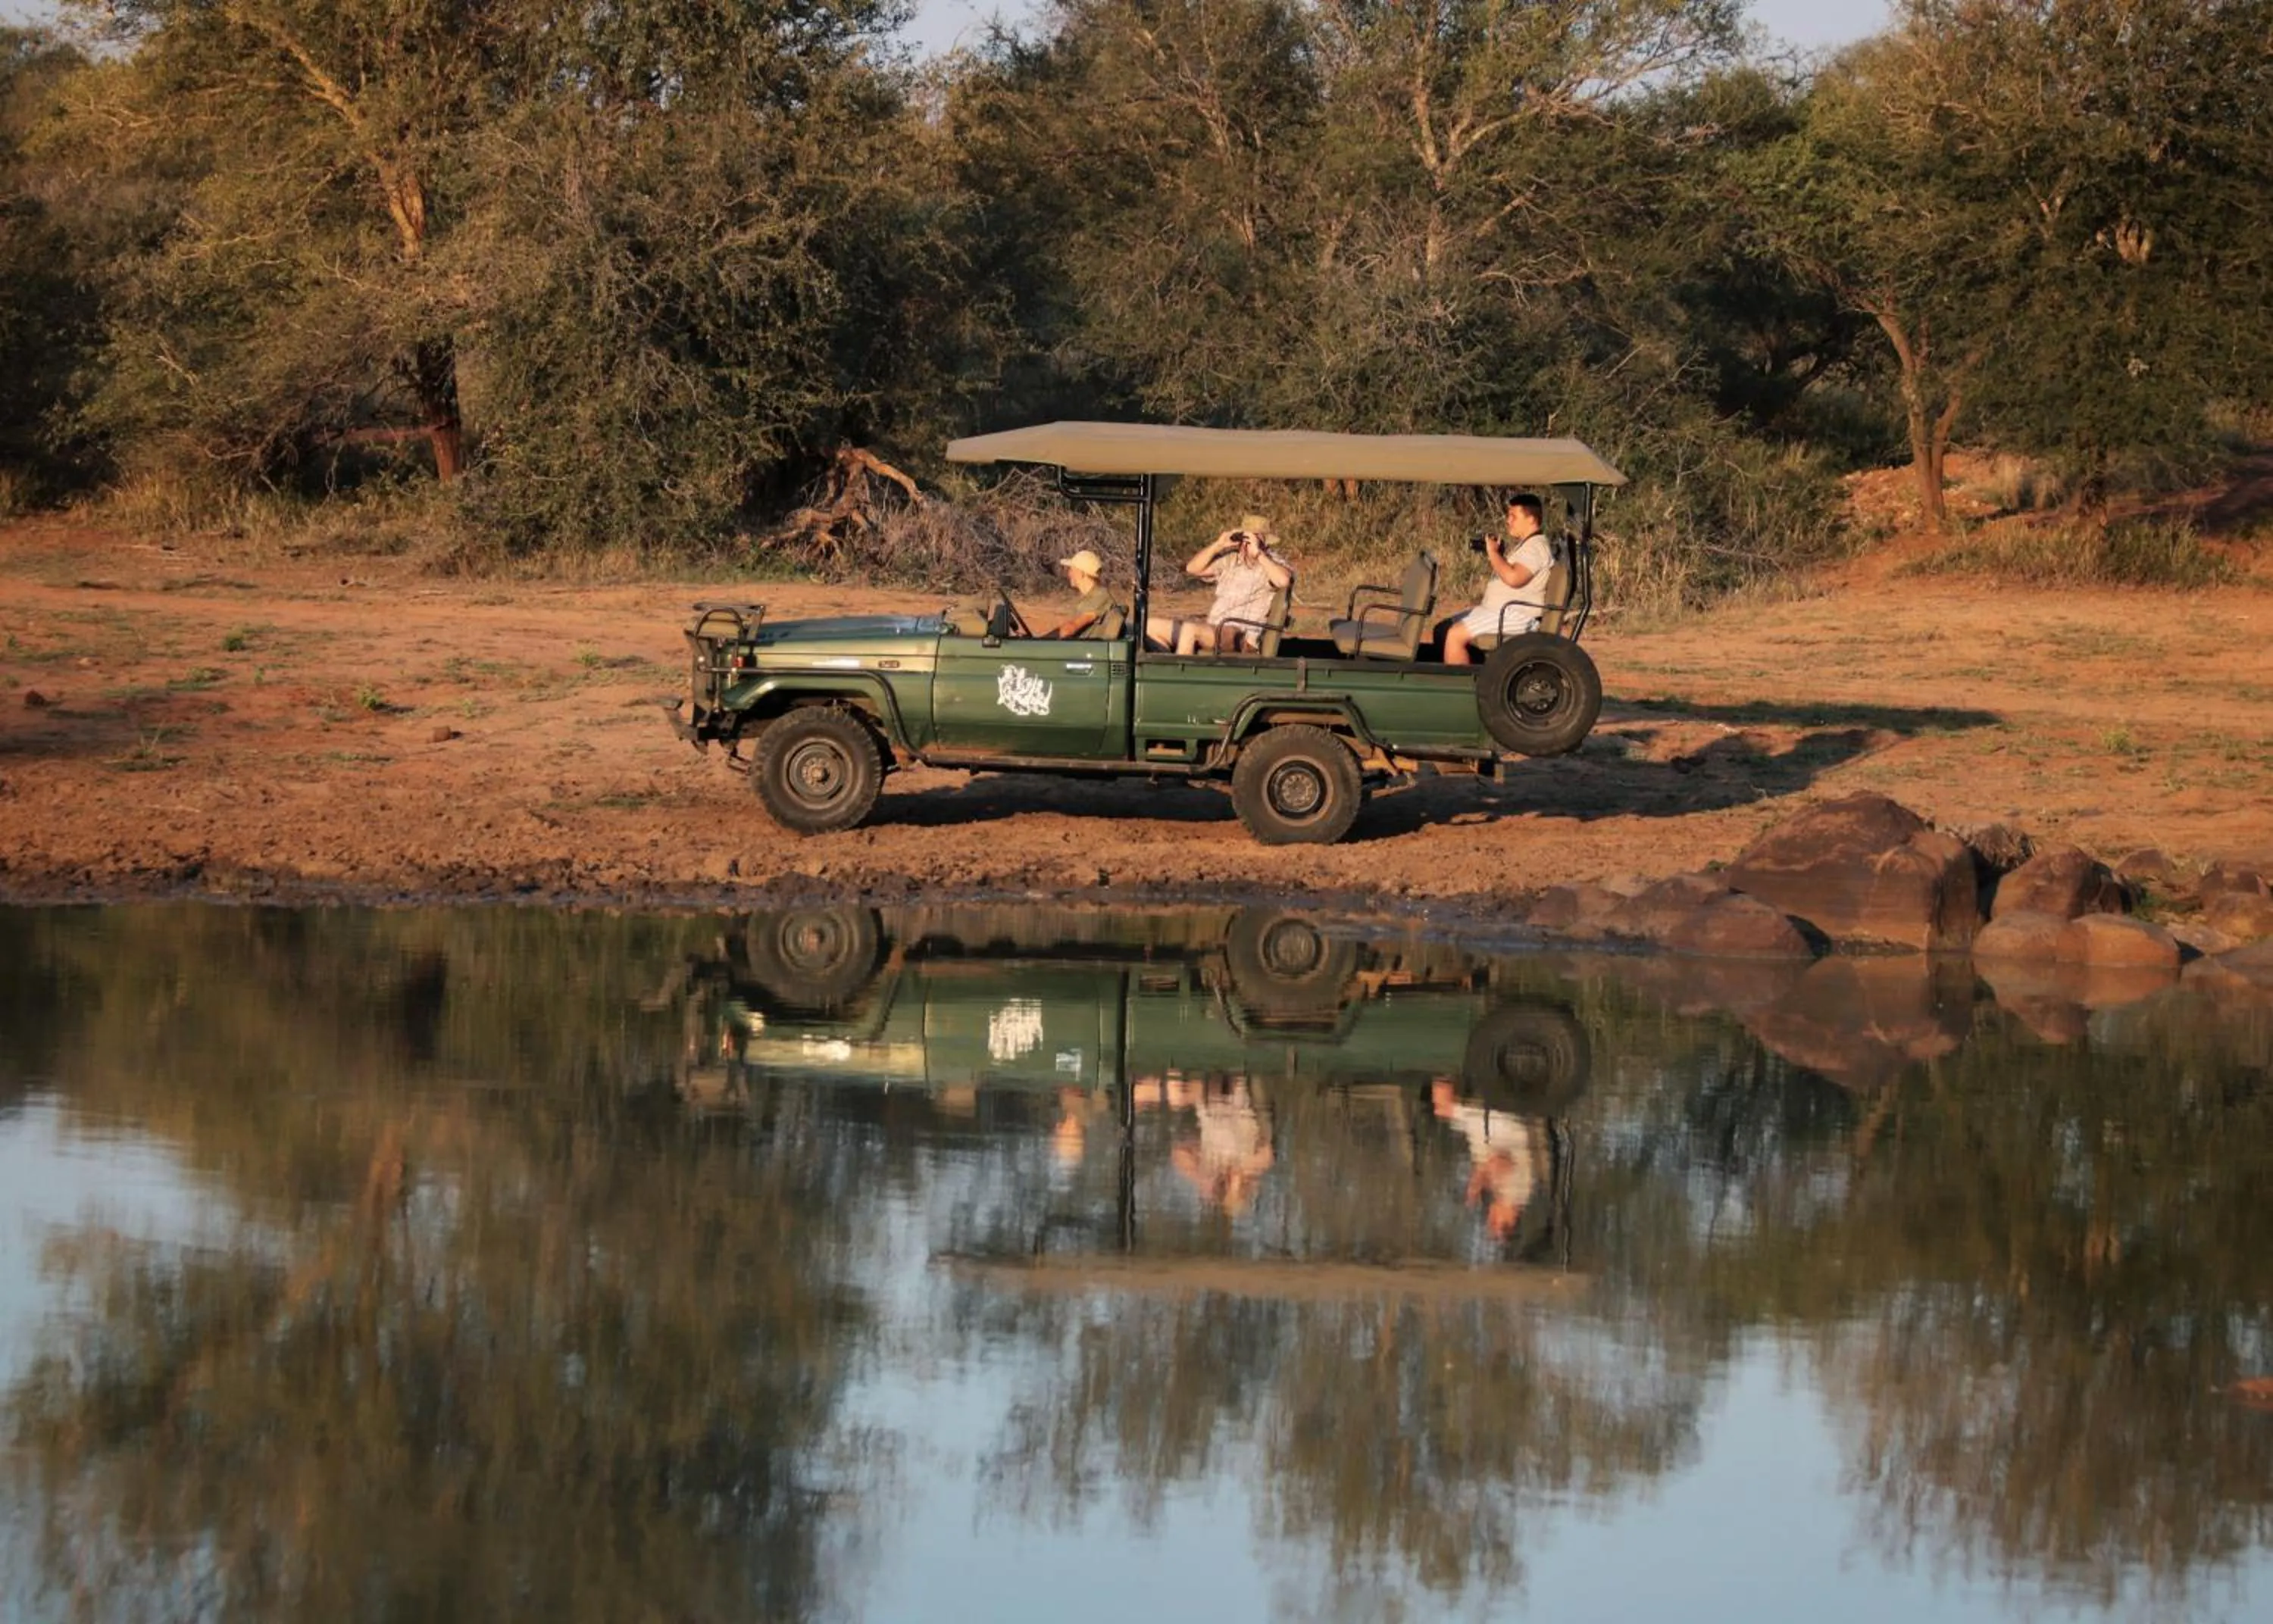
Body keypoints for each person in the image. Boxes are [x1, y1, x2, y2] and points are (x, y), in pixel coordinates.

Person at [1145, 515, 1294, 655]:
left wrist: (1259, 554)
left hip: (1241, 635)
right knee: (1149, 626)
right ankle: (1166, 673)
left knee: (1190, 630)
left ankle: (1180, 678)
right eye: (1245, 537)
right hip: (1215, 628)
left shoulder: (1272, 563)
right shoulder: (1231, 559)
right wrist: (1218, 545)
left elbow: (1284, 581)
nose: (1247, 543)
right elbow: (1193, 568)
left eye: (1253, 538)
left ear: (1264, 541)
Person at [1442, 494, 1555, 667]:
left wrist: (1493, 554)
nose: (1508, 520)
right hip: (1498, 610)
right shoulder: (1527, 544)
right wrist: (1498, 555)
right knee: (1443, 628)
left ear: (1531, 520)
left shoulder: (1536, 548)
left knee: (1455, 635)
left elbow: (1513, 578)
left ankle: (1459, 688)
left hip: (1516, 615)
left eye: (1513, 516)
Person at [1040, 548, 1119, 639]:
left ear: (1081, 573)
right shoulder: (1092, 596)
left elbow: (1069, 629)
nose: (1069, 574)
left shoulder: (1100, 596)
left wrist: (1041, 642)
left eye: (1072, 570)